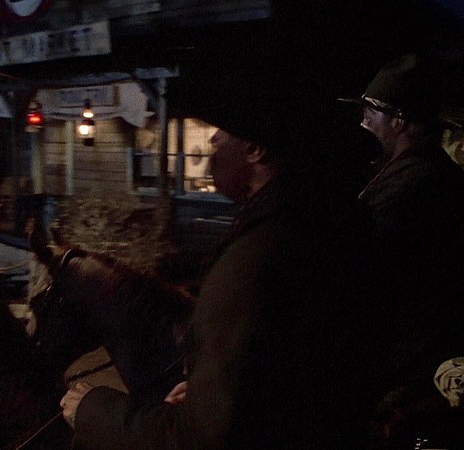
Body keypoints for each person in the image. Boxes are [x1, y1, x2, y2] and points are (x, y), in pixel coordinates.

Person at [60, 85, 380, 449]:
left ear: (255, 149)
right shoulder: (325, 221)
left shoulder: (261, 254)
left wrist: (93, 409)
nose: (212, 140)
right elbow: (291, 371)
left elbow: (203, 437)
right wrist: (208, 391)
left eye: (223, 131)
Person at [339, 54, 464, 399]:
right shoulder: (439, 176)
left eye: (371, 112)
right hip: (422, 358)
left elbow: (363, 274)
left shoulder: (412, 187)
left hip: (401, 369)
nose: (363, 120)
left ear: (398, 121)